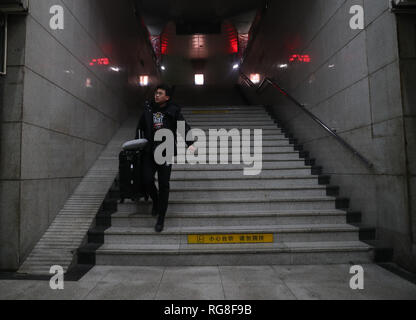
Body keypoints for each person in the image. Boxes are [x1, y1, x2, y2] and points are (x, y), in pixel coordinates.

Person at [135, 84, 196, 232]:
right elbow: (140, 128)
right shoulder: (148, 108)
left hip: (166, 151)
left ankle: (161, 218)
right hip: (150, 151)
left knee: (164, 185)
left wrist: (190, 143)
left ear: (167, 97)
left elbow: (182, 126)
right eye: (156, 93)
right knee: (146, 179)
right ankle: (155, 200)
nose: (156, 95)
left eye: (160, 93)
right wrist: (136, 144)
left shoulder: (173, 110)